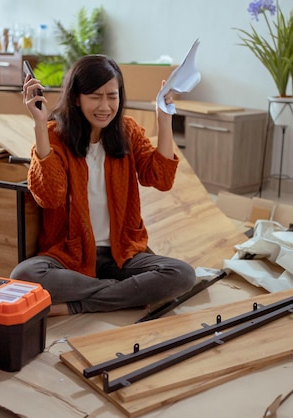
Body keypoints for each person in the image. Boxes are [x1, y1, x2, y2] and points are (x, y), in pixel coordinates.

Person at [11, 55, 196, 316]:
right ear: (77, 98)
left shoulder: (127, 131)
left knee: (182, 274)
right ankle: (127, 293)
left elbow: (161, 179)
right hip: (69, 257)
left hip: (122, 254)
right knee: (25, 275)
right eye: (95, 96)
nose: (105, 106)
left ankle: (79, 304)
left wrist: (164, 119)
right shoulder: (54, 136)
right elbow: (50, 197)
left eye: (112, 96)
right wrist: (40, 125)